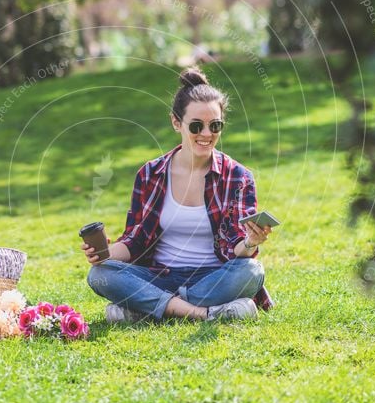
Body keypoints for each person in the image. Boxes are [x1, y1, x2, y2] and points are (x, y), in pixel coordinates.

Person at [83, 67, 273, 323]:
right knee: (99, 274)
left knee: (250, 271)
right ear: (176, 122)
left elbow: (236, 248)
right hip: (159, 275)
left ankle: (146, 308)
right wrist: (103, 253)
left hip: (213, 278)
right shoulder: (150, 174)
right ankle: (204, 313)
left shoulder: (238, 177)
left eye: (215, 125)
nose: (207, 134)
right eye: (196, 126)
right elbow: (135, 241)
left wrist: (251, 241)